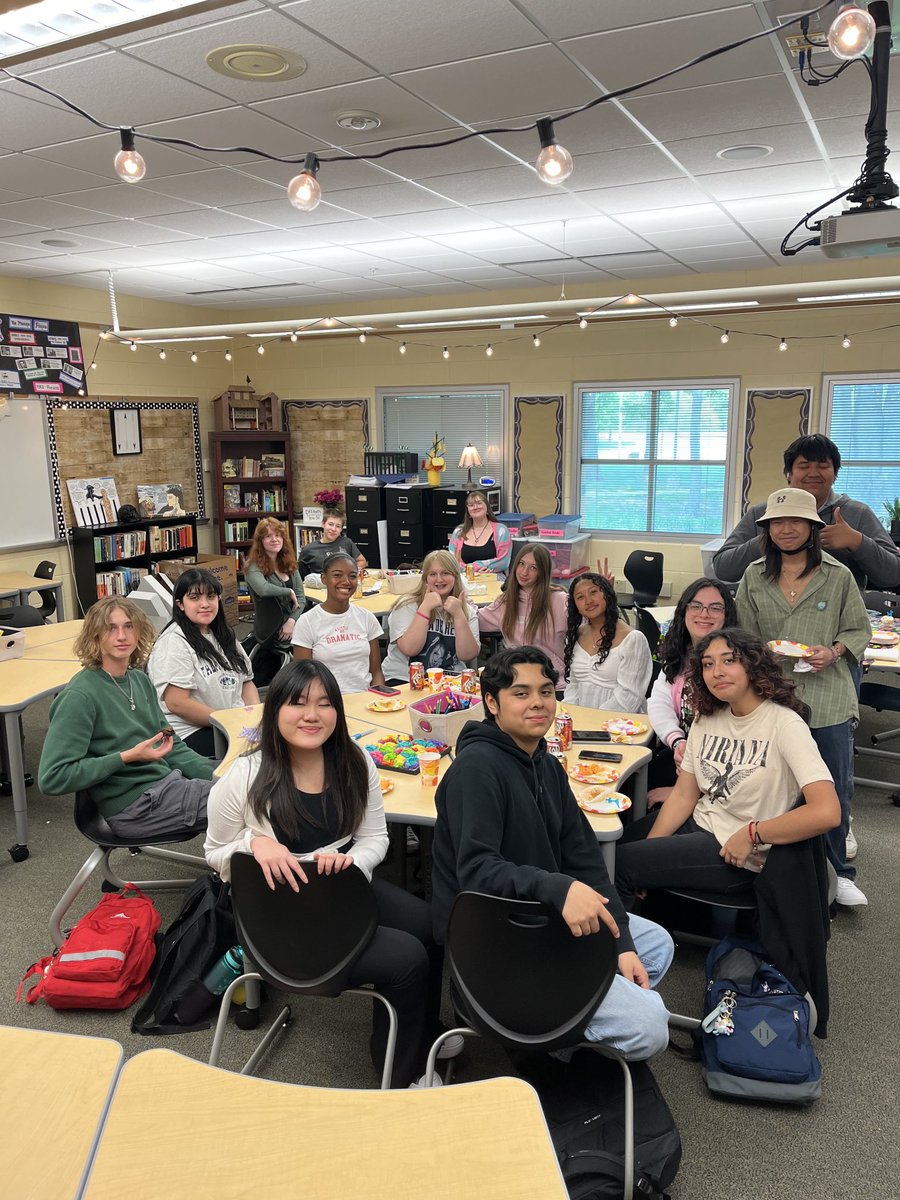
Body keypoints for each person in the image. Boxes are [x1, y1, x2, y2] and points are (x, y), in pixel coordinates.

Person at [204, 660, 456, 1088]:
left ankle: (417, 1035)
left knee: (429, 926)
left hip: (340, 889)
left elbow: (376, 838)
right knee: (407, 959)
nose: (311, 714)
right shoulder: (244, 776)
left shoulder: (354, 762)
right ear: (275, 709)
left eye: (324, 703)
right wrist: (253, 843)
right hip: (279, 911)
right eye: (297, 703)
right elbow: (214, 852)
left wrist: (353, 863)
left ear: (337, 712)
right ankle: (401, 1077)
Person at [431, 646, 673, 1061]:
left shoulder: (544, 765)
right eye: (520, 693)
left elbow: (584, 861)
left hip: (538, 920)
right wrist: (557, 889)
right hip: (495, 938)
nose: (538, 703)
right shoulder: (477, 770)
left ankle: (557, 1029)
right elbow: (476, 871)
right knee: (652, 1027)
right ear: (492, 703)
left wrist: (621, 944)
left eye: (545, 691)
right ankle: (543, 1028)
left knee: (653, 944)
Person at [615, 628, 840, 910]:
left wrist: (753, 834)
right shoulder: (707, 718)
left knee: (620, 865)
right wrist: (650, 852)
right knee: (608, 851)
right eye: (708, 664)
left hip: (738, 851)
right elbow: (685, 796)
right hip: (700, 823)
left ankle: (621, 952)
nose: (717, 671)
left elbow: (827, 812)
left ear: (752, 664)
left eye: (729, 660)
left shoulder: (785, 725)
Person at [735, 487, 871, 908]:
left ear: (814, 528)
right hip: (773, 697)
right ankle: (776, 870)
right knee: (771, 785)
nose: (786, 529)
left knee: (831, 787)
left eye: (796, 522)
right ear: (767, 530)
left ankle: (839, 873)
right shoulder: (754, 576)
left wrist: (834, 651)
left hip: (827, 697)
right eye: (778, 522)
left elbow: (858, 630)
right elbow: (744, 636)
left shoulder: (838, 574)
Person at [38, 596, 214, 837]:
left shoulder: (139, 680)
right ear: (95, 636)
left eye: (129, 626)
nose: (122, 636)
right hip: (135, 806)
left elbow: (171, 745)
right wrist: (125, 757)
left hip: (168, 785)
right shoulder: (80, 696)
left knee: (253, 784)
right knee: (252, 800)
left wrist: (217, 774)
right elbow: (53, 778)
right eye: (111, 628)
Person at [713, 433, 900, 591]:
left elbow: (893, 575)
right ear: (788, 474)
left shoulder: (857, 513)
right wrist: (769, 539)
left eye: (823, 466)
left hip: (839, 624)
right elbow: (723, 569)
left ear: (835, 474)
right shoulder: (762, 513)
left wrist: (857, 541)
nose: (813, 473)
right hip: (770, 623)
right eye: (804, 466)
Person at [147, 568, 258, 757]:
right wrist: (227, 722)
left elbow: (246, 682)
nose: (205, 604)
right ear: (180, 604)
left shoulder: (224, 635)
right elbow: (177, 702)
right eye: (195, 598)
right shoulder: (174, 641)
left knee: (278, 737)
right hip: (191, 733)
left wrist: (255, 718)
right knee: (263, 753)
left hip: (231, 723)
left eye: (211, 596)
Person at [646, 578, 738, 801]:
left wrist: (683, 791)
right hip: (684, 752)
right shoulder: (681, 654)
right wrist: (677, 741)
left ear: (727, 615)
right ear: (684, 611)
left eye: (715, 607)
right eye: (696, 606)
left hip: (718, 772)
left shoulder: (735, 664)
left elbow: (732, 743)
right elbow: (659, 702)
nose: (704, 614)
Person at [291, 552, 386, 692]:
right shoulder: (307, 622)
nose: (346, 581)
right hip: (325, 702)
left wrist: (379, 700)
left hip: (364, 700)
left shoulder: (366, 618)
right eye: (337, 575)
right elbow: (302, 679)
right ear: (324, 578)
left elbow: (376, 672)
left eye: (352, 576)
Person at [382, 550, 480, 683]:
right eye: (433, 574)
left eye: (446, 573)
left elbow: (468, 655)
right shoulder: (406, 605)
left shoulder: (466, 611)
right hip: (404, 679)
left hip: (450, 681)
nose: (439, 579)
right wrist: (425, 608)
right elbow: (409, 649)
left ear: (456, 577)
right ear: (425, 579)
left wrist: (458, 616)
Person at [563, 572, 652, 713]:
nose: (588, 600)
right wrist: (569, 715)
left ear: (607, 593)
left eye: (593, 592)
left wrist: (595, 723)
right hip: (581, 722)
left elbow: (629, 696)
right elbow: (573, 685)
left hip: (619, 724)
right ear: (575, 605)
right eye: (580, 597)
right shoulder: (575, 635)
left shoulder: (633, 639)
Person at [477, 543, 568, 679]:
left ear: (542, 572)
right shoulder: (506, 601)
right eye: (521, 564)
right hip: (515, 679)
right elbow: (476, 619)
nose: (524, 572)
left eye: (533, 568)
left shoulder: (560, 601)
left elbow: (589, 622)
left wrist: (604, 597)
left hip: (553, 681)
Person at [244, 518, 305, 649]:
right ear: (260, 541)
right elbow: (263, 589)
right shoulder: (252, 567)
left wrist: (291, 621)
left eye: (278, 535)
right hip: (271, 628)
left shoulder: (289, 563)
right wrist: (288, 591)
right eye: (268, 536)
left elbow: (301, 598)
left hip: (292, 622)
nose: (274, 539)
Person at [447, 489, 511, 576]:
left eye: (479, 503)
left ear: (487, 508)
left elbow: (504, 561)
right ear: (468, 511)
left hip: (492, 577)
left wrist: (474, 567)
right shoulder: (458, 532)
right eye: (471, 505)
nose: (475, 507)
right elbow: (452, 561)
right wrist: (472, 572)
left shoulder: (501, 531)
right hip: (465, 578)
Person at [299, 508, 366, 580]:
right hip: (321, 587)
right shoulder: (309, 549)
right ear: (323, 524)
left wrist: (353, 572)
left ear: (341, 529)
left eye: (338, 526)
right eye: (330, 524)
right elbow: (301, 577)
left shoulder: (347, 542)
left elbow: (362, 561)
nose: (333, 529)